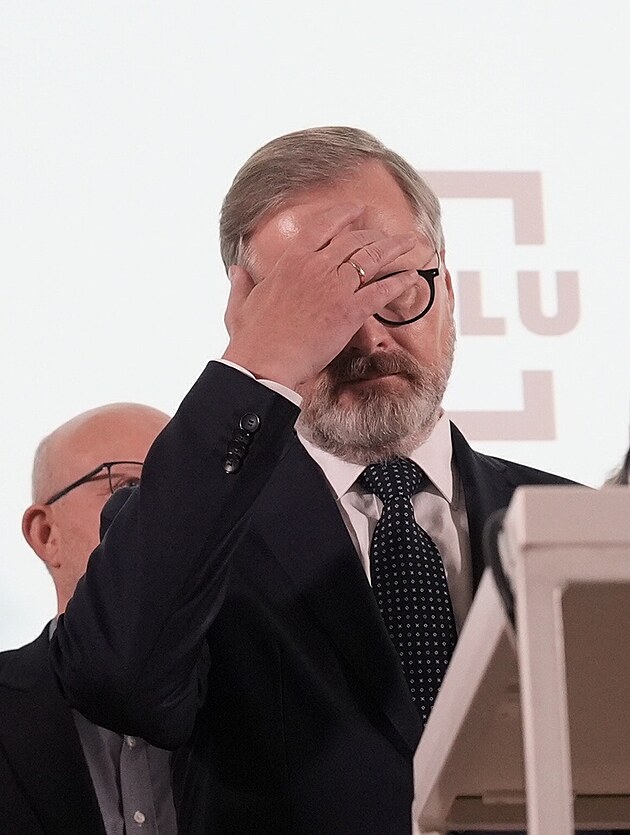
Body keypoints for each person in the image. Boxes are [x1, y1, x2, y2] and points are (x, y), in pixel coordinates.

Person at [49, 128, 583, 834]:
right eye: (320, 304)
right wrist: (255, 368)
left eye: (395, 288)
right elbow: (116, 680)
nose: (368, 337)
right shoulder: (190, 535)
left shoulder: (577, 523)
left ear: (448, 292)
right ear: (251, 319)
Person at [0, 403, 175, 835]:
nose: (169, 515)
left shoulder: (268, 708)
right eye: (128, 485)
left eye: (182, 490)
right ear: (46, 534)